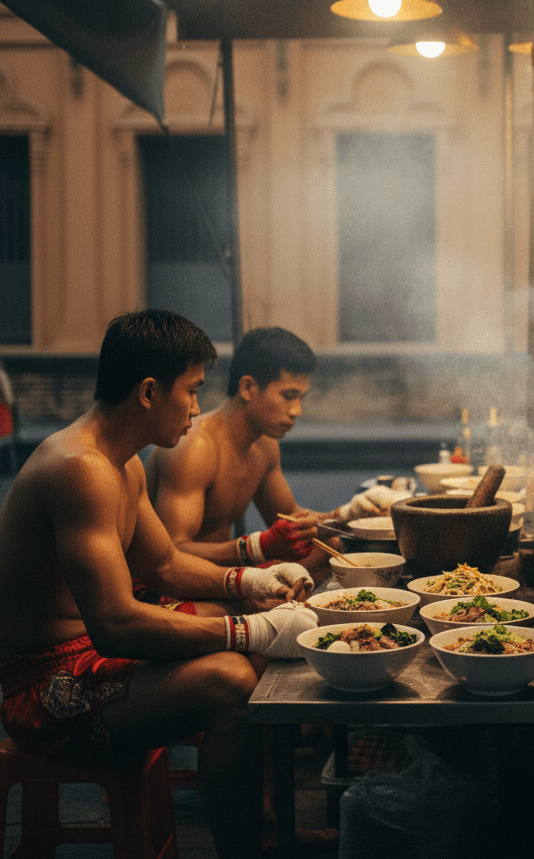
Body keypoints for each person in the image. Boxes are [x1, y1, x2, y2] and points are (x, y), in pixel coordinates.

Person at [0, 309, 319, 859]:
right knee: (230, 680)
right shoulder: (80, 467)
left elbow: (165, 565)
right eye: (191, 392)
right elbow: (117, 625)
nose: (197, 408)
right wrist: (248, 631)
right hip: (43, 686)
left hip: (89, 658)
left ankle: (263, 824)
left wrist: (253, 579)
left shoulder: (120, 463)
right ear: (149, 392)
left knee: (256, 652)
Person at [145, 326, 397, 586]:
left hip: (226, 575)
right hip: (175, 585)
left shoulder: (264, 445)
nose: (297, 410)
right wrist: (257, 547)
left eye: (301, 398)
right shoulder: (196, 447)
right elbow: (170, 554)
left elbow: (290, 518)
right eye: (289, 396)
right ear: (248, 388)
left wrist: (349, 514)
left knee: (328, 547)